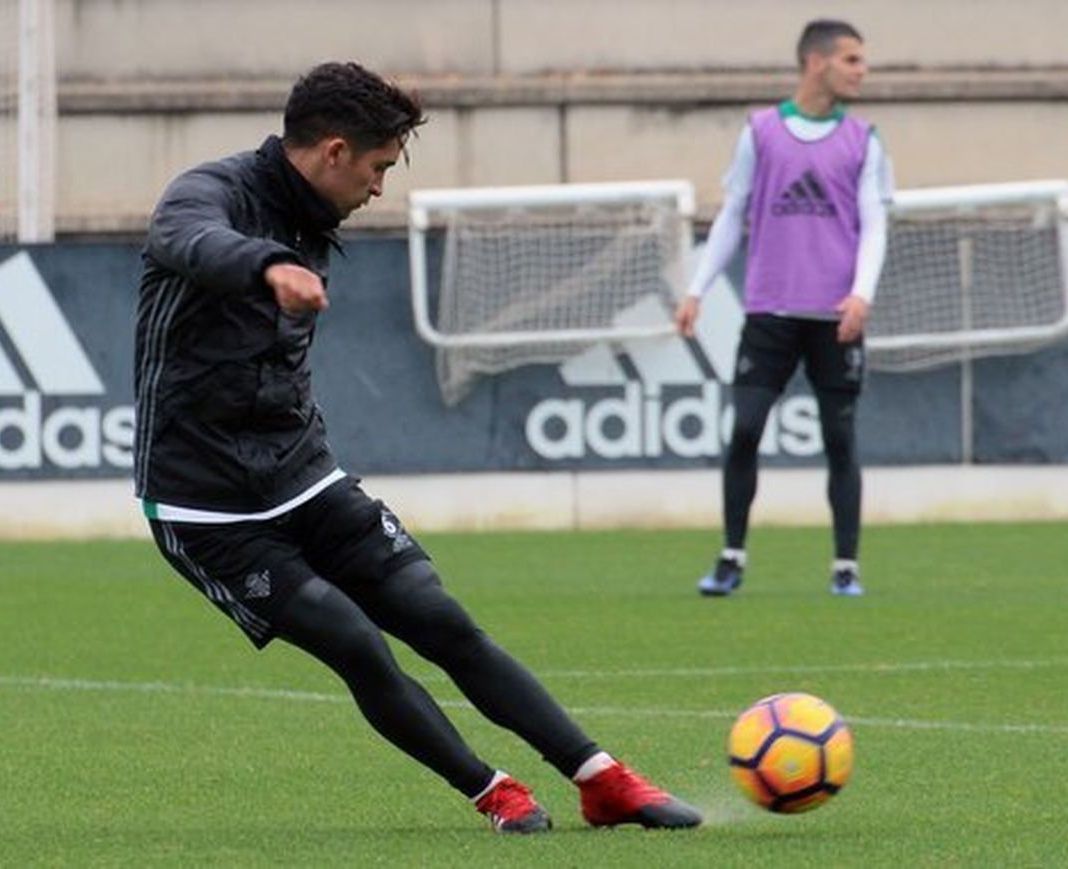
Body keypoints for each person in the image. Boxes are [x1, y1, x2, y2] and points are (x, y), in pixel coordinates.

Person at [133, 61, 701, 834]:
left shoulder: (312, 214)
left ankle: (600, 777)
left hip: (304, 474)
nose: (379, 188)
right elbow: (184, 238)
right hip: (207, 507)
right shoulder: (212, 191)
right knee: (356, 642)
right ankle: (493, 789)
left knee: (443, 621)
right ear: (334, 151)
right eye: (377, 168)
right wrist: (268, 265)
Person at [676, 20, 894, 599]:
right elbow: (732, 215)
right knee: (745, 429)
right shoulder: (761, 132)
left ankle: (845, 566)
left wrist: (862, 292)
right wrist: (697, 288)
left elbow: (875, 224)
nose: (861, 71)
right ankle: (730, 558)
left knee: (839, 439)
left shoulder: (865, 140)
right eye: (852, 60)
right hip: (770, 311)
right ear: (817, 63)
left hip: (835, 317)